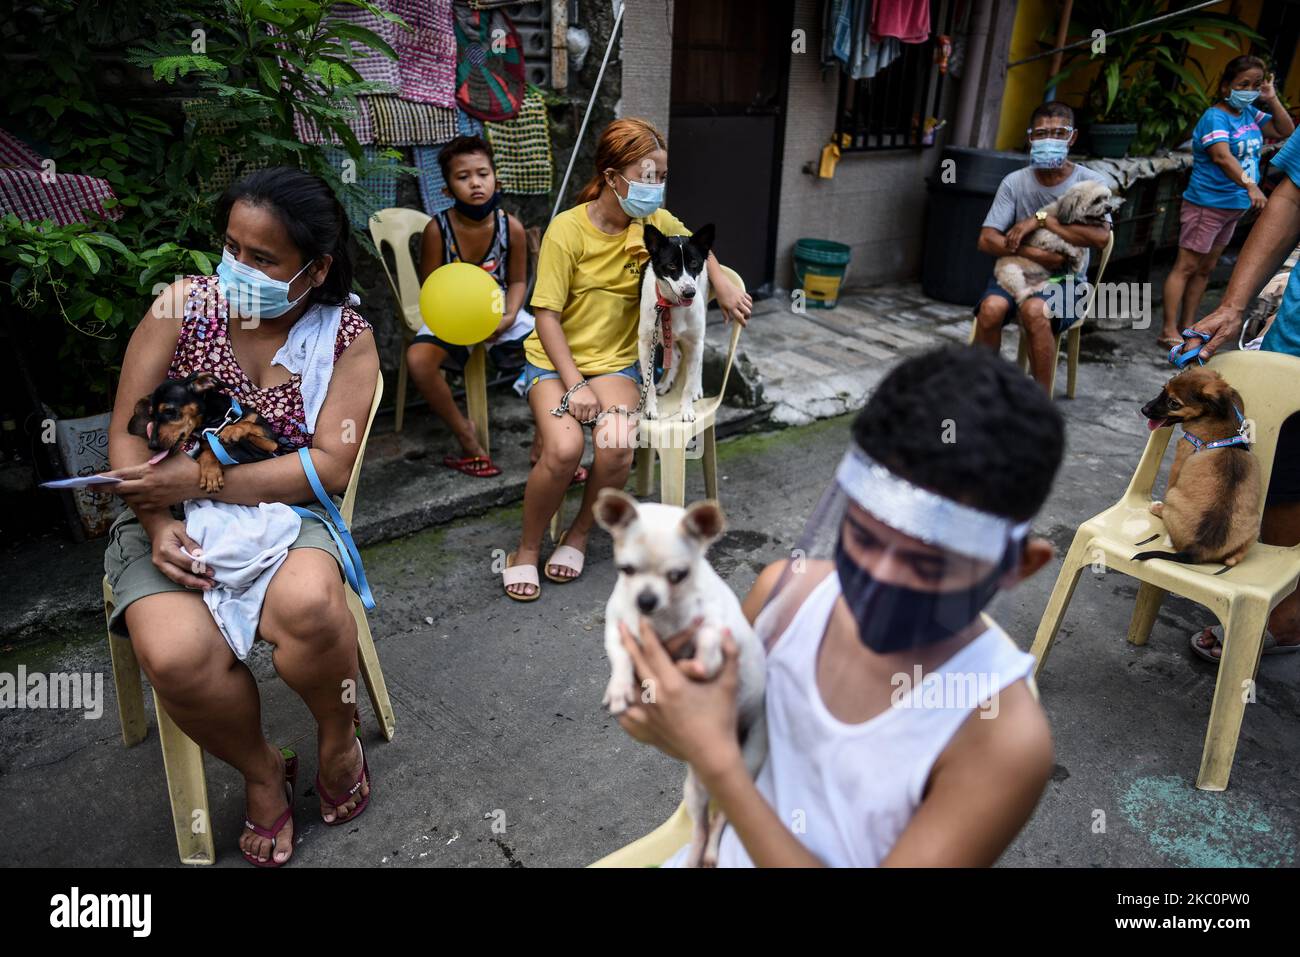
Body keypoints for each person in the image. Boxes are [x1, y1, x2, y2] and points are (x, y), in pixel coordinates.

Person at [615, 346, 1063, 866]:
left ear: (1019, 566)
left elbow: (720, 760)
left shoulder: (1002, 740)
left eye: (929, 565)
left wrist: (717, 765)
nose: (879, 584)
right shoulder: (787, 598)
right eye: (865, 539)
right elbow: (722, 736)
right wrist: (669, 719)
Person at [103, 167, 380, 866]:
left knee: (313, 606)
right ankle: (262, 770)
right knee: (173, 654)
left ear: (314, 269)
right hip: (161, 511)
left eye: (262, 259)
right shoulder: (180, 307)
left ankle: (339, 740)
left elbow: (327, 467)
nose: (238, 269)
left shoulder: (344, 336)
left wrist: (205, 475)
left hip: (282, 511)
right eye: (232, 248)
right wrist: (163, 521)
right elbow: (127, 438)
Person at [500, 117, 753, 600]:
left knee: (616, 444)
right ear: (613, 176)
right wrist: (575, 385)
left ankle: (577, 534)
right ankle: (527, 550)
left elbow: (698, 248)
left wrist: (719, 281)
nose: (655, 188)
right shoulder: (566, 231)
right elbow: (545, 317)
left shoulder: (652, 224)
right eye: (647, 175)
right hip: (556, 363)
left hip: (617, 364)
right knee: (563, 449)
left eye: (661, 177)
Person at [1182, 128, 1300, 662]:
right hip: (1293, 347)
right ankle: (1277, 602)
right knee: (1281, 473)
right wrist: (1233, 304)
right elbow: (1293, 194)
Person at [407, 135, 537, 479]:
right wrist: (460, 323)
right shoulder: (439, 229)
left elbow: (519, 281)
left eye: (483, 173)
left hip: (501, 313)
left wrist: (509, 315)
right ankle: (467, 437)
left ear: (496, 178)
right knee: (419, 361)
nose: (475, 183)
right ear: (448, 188)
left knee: (549, 352)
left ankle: (547, 442)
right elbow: (431, 288)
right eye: (463, 177)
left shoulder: (513, 228)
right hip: (452, 316)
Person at [972, 101, 1112, 391]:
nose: (1050, 140)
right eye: (1041, 133)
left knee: (1036, 310)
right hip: (1019, 270)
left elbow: (1100, 238)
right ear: (1030, 138)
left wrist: (1042, 221)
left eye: (1059, 133)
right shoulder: (1015, 182)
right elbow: (986, 239)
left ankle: (1038, 401)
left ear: (1072, 138)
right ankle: (983, 390)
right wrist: (1032, 253)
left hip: (1068, 280)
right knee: (990, 308)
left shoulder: (1090, 182)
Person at [1159, 56, 1295, 349]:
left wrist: (1270, 98)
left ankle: (1189, 324)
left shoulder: (1250, 115)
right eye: (1242, 84)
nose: (1248, 90)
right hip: (1206, 205)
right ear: (1225, 86)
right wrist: (1251, 187)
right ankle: (1168, 328)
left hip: (1231, 207)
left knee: (1206, 269)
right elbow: (1222, 156)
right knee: (1186, 266)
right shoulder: (1215, 117)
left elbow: (1286, 131)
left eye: (1255, 85)